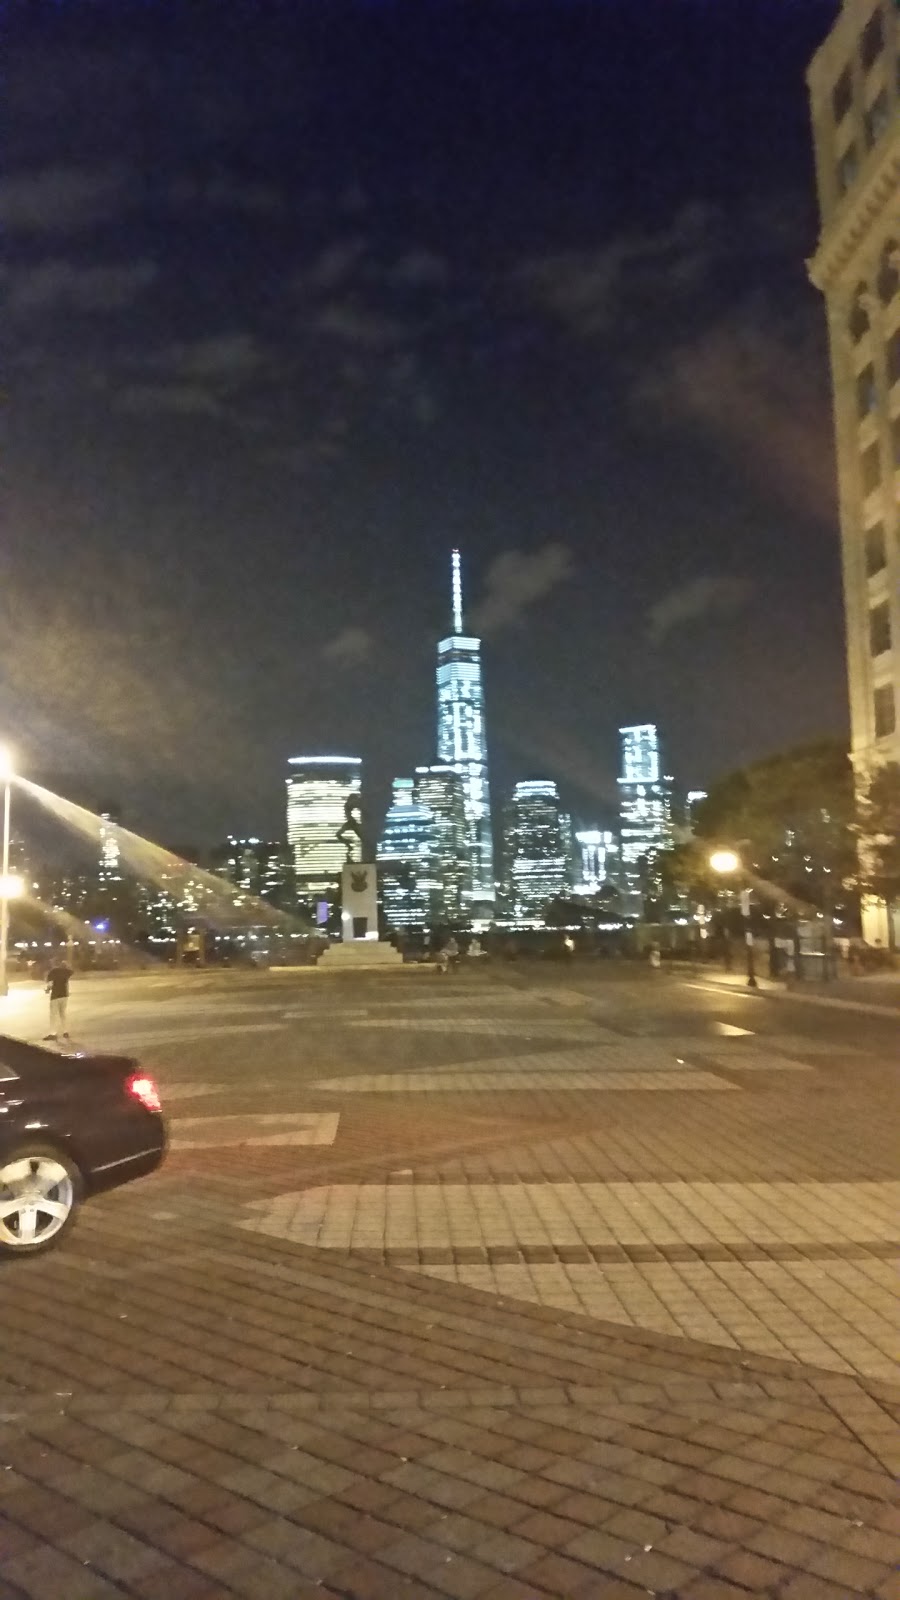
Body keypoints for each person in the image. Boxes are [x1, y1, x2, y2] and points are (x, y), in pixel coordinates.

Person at [44, 958, 73, 1042]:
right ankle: (65, 1032)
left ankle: (53, 1034)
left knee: (53, 1015)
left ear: (53, 963)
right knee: (63, 1014)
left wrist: (47, 990)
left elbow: (50, 984)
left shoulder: (52, 972)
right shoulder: (66, 972)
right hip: (64, 995)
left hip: (55, 995)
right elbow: (67, 982)